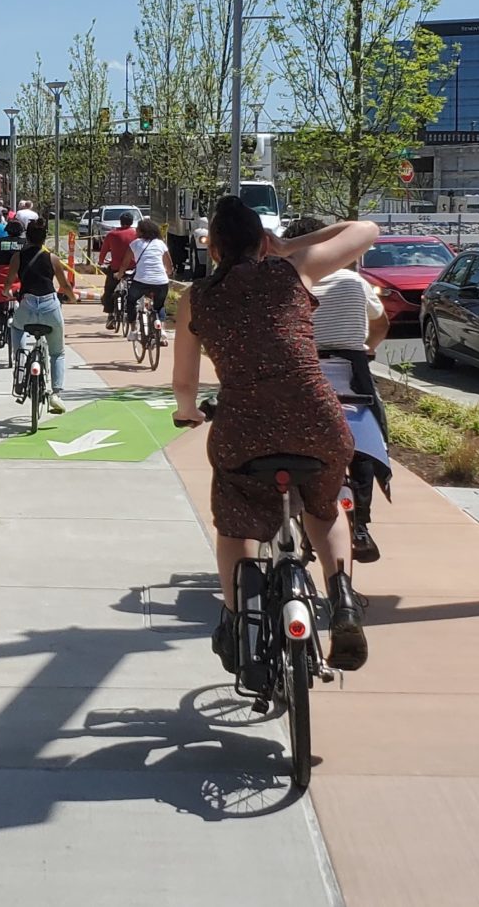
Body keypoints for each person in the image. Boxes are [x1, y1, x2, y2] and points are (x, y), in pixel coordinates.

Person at [172, 196, 379, 671]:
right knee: (325, 506)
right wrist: (287, 247)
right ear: (261, 241)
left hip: (243, 429)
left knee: (235, 518)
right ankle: (343, 598)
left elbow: (184, 384)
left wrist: (188, 412)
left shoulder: (197, 298)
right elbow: (364, 228)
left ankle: (235, 618)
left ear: (214, 250)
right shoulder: (290, 272)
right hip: (317, 419)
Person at [284, 216, 393, 564]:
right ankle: (361, 522)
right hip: (351, 371)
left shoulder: (288, 284)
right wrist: (368, 347)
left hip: (303, 372)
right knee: (367, 434)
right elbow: (381, 324)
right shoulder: (354, 282)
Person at [8, 217, 76, 413]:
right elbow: (64, 285)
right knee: (57, 353)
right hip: (50, 308)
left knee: (17, 327)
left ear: (26, 236)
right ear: (44, 238)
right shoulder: (53, 259)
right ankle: (56, 394)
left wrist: (7, 294)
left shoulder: (18, 257)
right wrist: (72, 299)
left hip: (27, 306)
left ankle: (21, 362)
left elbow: (8, 284)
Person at [123, 217, 174, 334]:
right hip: (161, 282)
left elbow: (125, 263)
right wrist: (168, 273)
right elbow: (169, 265)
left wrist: (120, 273)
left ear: (141, 231)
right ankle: (162, 332)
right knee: (159, 306)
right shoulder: (161, 243)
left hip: (141, 281)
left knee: (131, 300)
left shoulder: (135, 244)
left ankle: (133, 329)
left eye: (137, 230)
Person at [96, 214, 140, 332]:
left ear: (120, 222)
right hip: (133, 268)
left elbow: (103, 251)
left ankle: (110, 315)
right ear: (131, 222)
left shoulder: (111, 234)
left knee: (109, 289)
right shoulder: (136, 234)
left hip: (116, 268)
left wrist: (101, 262)